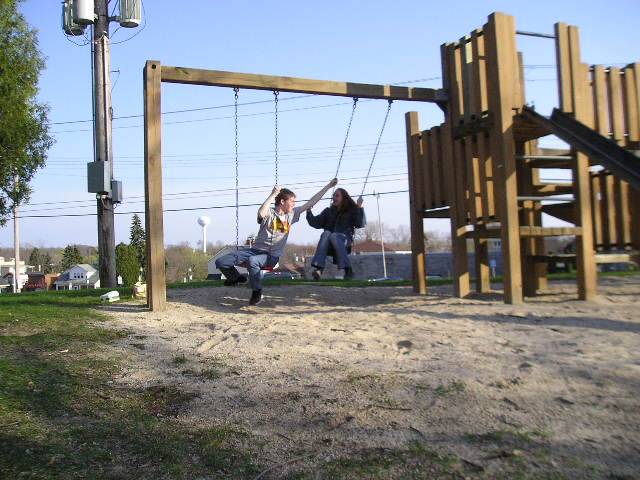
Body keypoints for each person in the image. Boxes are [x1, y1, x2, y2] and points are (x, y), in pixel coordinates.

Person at [216, 178, 338, 305]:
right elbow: (261, 213)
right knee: (221, 262)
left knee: (253, 262)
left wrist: (329, 186)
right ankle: (236, 278)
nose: (294, 204)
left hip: (270, 256)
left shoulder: (292, 214)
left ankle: (257, 292)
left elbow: (312, 202)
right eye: (292, 201)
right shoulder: (270, 213)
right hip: (254, 251)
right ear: (282, 202)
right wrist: (272, 194)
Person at [306, 188, 366, 281]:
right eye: (333, 195)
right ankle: (319, 269)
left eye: (337, 195)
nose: (334, 197)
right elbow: (315, 223)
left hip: (344, 242)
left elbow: (360, 224)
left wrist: (359, 207)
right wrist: (308, 211)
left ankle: (348, 270)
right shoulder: (328, 211)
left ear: (344, 198)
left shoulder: (351, 210)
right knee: (326, 233)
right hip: (328, 244)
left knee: (334, 235)